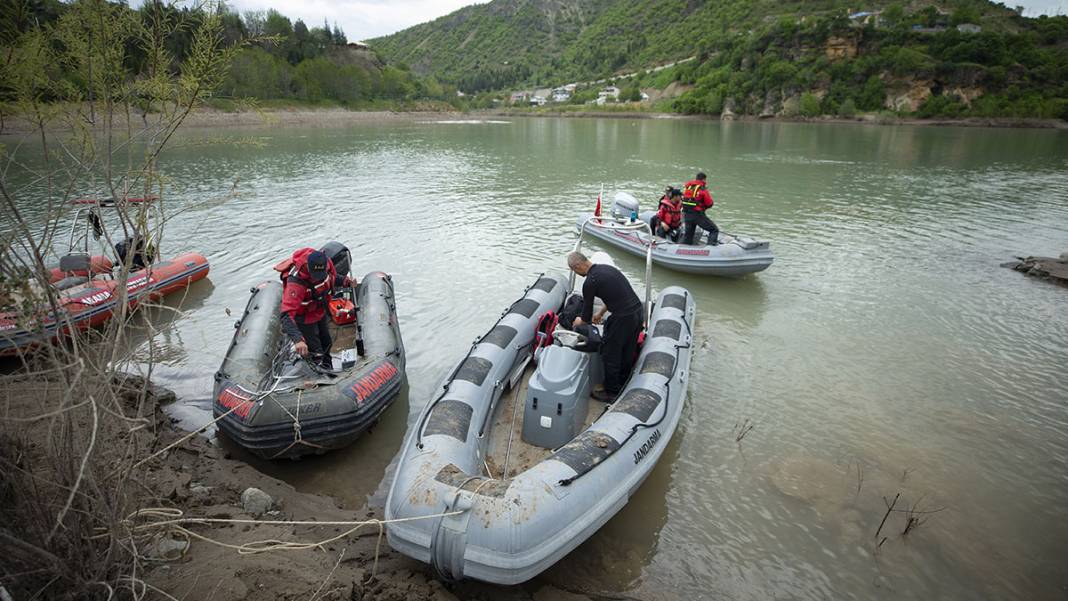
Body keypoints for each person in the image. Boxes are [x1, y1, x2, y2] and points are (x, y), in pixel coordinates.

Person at [566, 251, 643, 402]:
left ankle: (612, 392)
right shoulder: (608, 270)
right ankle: (623, 382)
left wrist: (577, 321)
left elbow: (586, 317)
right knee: (627, 350)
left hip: (622, 318)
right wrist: (601, 312)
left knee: (610, 354)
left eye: (574, 270)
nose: (577, 273)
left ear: (578, 266)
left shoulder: (590, 282)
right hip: (637, 313)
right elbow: (615, 294)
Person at [279, 248, 352, 370]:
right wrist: (298, 340)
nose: (318, 278)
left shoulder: (326, 265)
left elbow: (332, 278)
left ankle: (329, 369)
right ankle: (318, 374)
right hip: (304, 318)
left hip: (320, 311)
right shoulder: (296, 284)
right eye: (315, 275)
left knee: (326, 342)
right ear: (308, 267)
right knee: (316, 351)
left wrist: (346, 281)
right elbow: (286, 315)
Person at [681, 172, 719, 246]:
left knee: (688, 235)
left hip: (687, 214)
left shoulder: (688, 187)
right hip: (697, 215)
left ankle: (683, 251)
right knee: (714, 230)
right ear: (704, 179)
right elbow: (709, 203)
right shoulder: (702, 189)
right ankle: (710, 249)